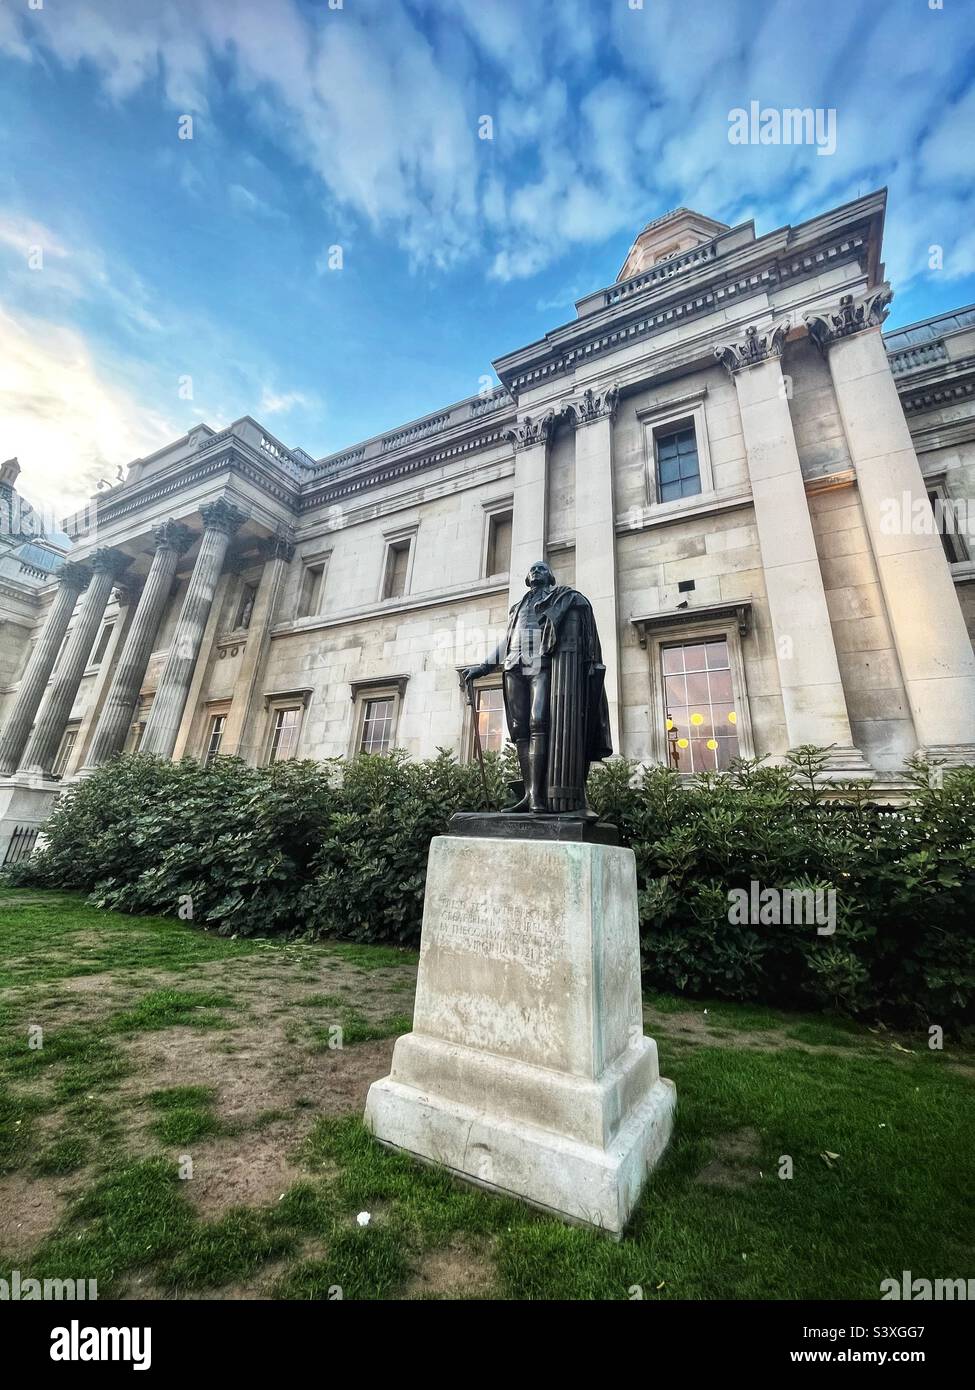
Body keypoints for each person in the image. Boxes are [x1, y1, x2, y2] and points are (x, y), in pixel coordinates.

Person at [462, 560, 612, 815]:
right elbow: (507, 642)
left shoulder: (561, 598)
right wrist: (483, 667)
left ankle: (539, 799)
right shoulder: (516, 608)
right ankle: (530, 795)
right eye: (532, 569)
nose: (535, 571)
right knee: (520, 729)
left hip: (539, 664)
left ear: (550, 577)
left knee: (538, 721)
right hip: (513, 666)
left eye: (541, 569)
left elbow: (581, 606)